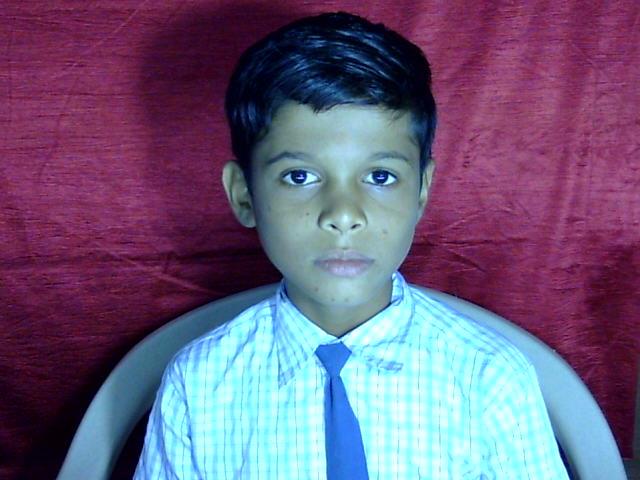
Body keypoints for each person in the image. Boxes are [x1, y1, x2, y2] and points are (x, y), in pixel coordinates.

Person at [134, 12, 569, 479]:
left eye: (380, 177)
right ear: (244, 195)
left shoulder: (490, 379)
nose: (343, 214)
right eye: (299, 177)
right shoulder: (198, 384)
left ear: (422, 191)